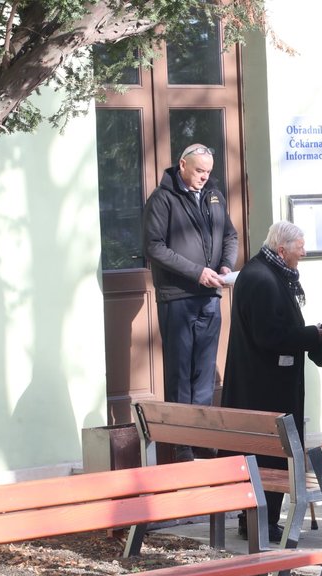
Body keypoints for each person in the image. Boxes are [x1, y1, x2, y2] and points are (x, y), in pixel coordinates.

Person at [221, 221, 322, 540]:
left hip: (265, 384)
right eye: (300, 247)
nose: (304, 253)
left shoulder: (263, 272)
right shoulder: (262, 278)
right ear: (282, 250)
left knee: (268, 453)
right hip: (265, 388)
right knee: (269, 453)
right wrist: (312, 335)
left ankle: (260, 518)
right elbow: (269, 335)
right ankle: (260, 519)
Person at [143, 143, 239, 461]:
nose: (204, 177)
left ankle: (202, 436)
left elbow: (229, 235)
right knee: (180, 371)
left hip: (210, 296)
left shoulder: (213, 196)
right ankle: (181, 443)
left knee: (204, 371)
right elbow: (155, 247)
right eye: (199, 171)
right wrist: (197, 272)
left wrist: (225, 265)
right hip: (178, 297)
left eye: (208, 172)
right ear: (183, 165)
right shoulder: (162, 199)